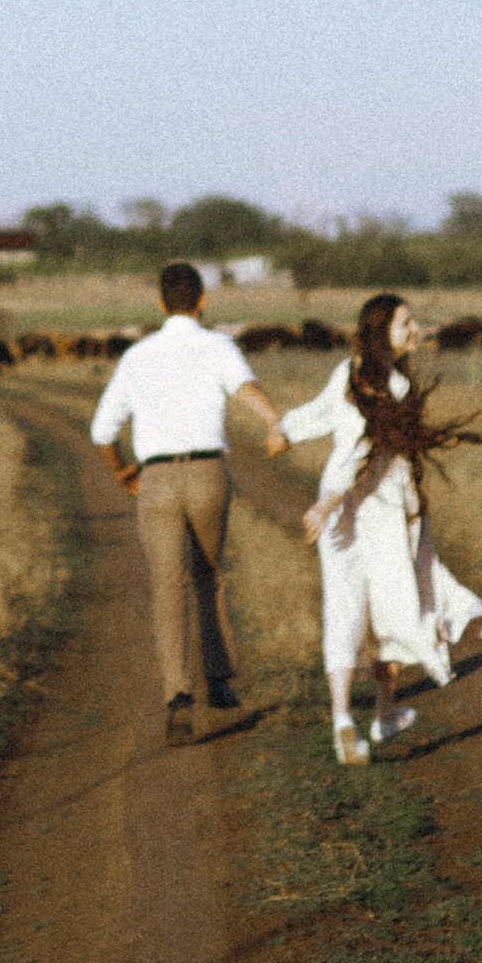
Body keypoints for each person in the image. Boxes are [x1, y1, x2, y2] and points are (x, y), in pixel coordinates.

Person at [281, 291, 482, 765]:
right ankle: (379, 711)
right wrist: (327, 500)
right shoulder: (390, 386)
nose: (416, 329)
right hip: (377, 508)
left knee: (346, 607)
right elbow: (358, 446)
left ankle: (350, 718)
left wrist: (283, 430)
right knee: (398, 599)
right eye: (405, 323)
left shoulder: (350, 369)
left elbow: (320, 413)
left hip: (346, 507)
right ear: (382, 332)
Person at [89, 262, 290, 746]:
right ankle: (218, 680)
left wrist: (121, 470)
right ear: (203, 301)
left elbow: (101, 430)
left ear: (159, 303)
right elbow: (245, 389)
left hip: (155, 477)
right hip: (207, 474)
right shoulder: (218, 346)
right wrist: (274, 422)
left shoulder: (137, 357)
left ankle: (177, 693)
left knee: (166, 584)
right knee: (209, 573)